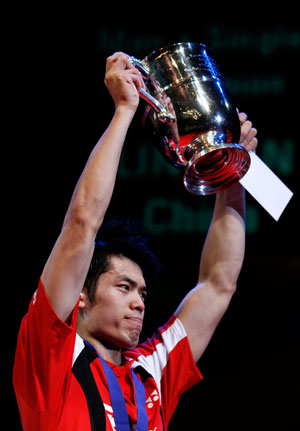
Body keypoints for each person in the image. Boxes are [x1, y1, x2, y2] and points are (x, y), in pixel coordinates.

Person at [13, 52, 258, 431]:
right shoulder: (49, 355)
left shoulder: (150, 372)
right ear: (81, 294)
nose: (138, 303)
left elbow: (218, 284)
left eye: (142, 293)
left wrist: (230, 170)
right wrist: (124, 111)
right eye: (124, 287)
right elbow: (81, 227)